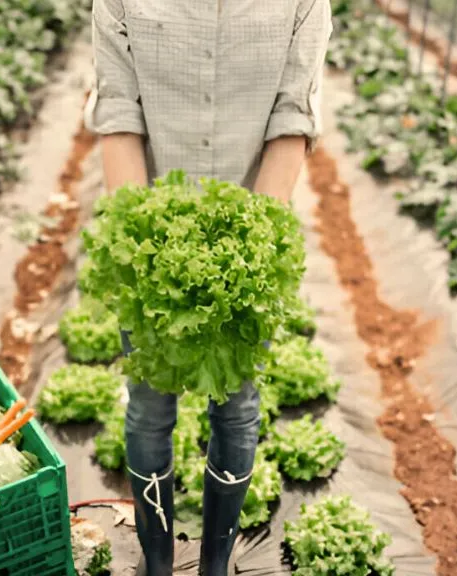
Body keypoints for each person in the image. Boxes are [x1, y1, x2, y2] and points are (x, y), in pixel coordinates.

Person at [84, 0, 332, 574]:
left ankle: (216, 564)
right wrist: (147, 257)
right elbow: (120, 114)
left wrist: (247, 259)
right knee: (149, 411)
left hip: (251, 233)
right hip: (149, 237)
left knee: (238, 408)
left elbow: (292, 118)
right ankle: (158, 560)